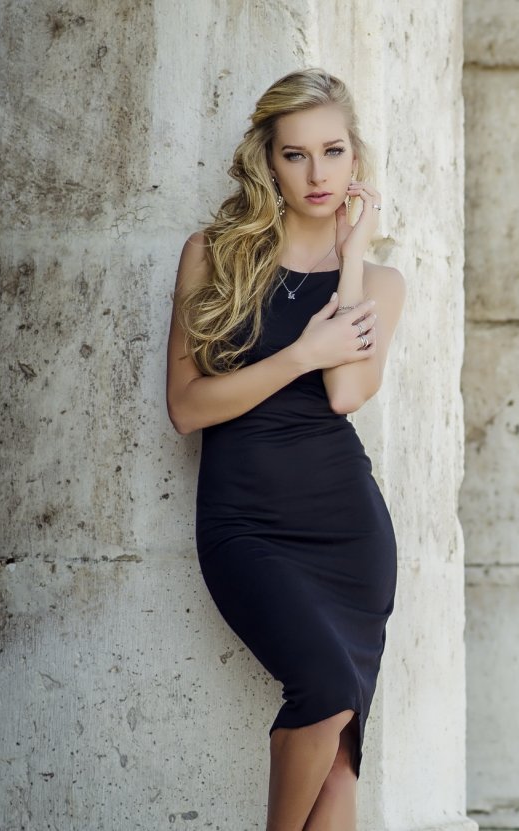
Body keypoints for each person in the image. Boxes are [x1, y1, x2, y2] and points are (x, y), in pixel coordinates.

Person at [164, 67, 406, 831]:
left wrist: (353, 254)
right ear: (268, 161)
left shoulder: (382, 282)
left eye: (332, 151)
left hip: (347, 534)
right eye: (295, 154)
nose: (316, 173)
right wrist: (300, 352)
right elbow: (187, 407)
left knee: (339, 751)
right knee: (326, 688)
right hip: (245, 525)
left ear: (354, 158)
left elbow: (346, 394)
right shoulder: (213, 255)